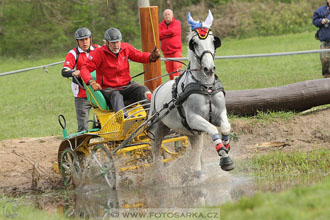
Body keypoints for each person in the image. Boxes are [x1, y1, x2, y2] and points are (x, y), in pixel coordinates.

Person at [80, 27, 160, 116]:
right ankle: (123, 119)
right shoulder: (99, 53)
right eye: (113, 43)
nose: (116, 45)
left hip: (127, 86)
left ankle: (153, 116)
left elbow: (139, 55)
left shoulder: (126, 48)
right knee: (116, 95)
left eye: (118, 42)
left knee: (142, 90)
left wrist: (151, 57)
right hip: (109, 89)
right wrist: (91, 82)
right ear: (106, 42)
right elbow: (84, 69)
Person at [61, 27, 99, 132]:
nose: (85, 42)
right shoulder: (73, 54)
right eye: (82, 40)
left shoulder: (98, 49)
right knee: (83, 126)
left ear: (90, 38)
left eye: (86, 39)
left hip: (98, 91)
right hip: (82, 93)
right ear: (77, 41)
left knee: (106, 120)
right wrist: (73, 72)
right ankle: (82, 146)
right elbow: (64, 71)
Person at [159, 9, 183, 80]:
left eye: (168, 14)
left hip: (176, 50)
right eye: (165, 14)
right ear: (163, 16)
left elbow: (173, 31)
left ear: (172, 16)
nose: (167, 16)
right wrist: (168, 33)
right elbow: (158, 35)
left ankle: (177, 83)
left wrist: (164, 34)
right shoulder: (160, 25)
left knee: (176, 68)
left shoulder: (177, 23)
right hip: (166, 52)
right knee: (169, 70)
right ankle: (172, 84)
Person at [313, 0, 330, 78]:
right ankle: (327, 76)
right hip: (326, 40)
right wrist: (321, 21)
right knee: (324, 59)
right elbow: (314, 21)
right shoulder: (321, 10)